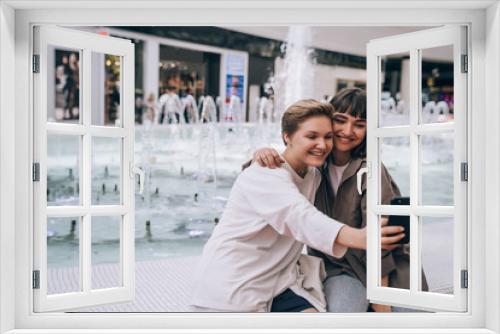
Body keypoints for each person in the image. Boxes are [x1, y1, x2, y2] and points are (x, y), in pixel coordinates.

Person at [190, 99, 404, 312]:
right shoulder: (264, 174)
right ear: (286, 136)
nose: (322, 145)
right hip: (232, 285)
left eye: (327, 137)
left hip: (279, 283)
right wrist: (360, 237)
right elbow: (301, 216)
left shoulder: (313, 172)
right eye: (312, 136)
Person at [253, 88, 427, 313]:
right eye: (340, 120)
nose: (348, 131)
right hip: (338, 268)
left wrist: (380, 298)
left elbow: (381, 242)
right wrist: (261, 155)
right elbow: (281, 172)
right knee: (342, 318)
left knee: (414, 324)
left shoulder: (371, 169)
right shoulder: (314, 165)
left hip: (386, 270)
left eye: (359, 124)